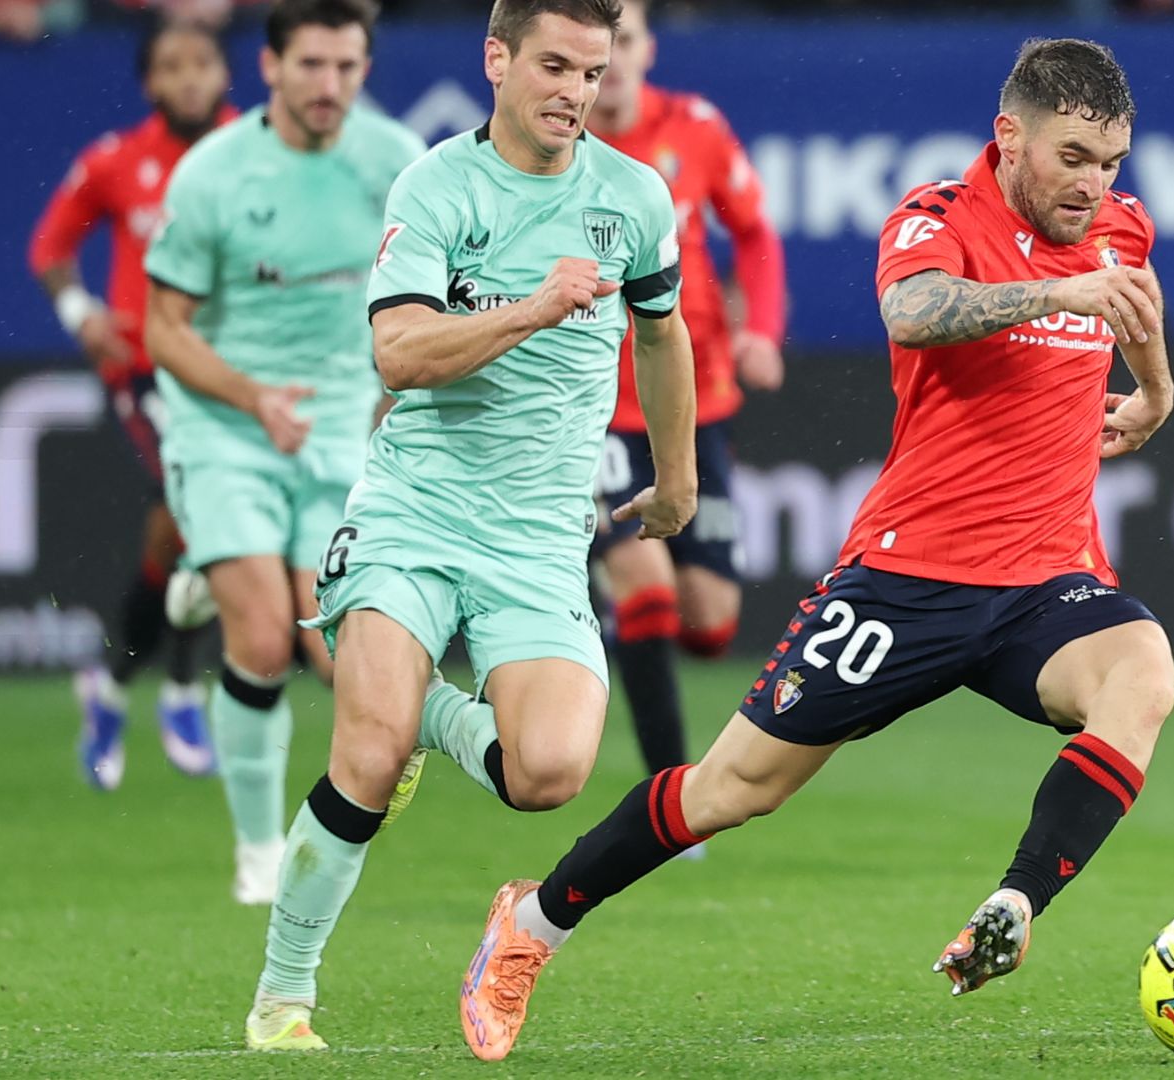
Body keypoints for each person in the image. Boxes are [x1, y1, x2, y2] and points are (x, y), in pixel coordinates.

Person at [455, 36, 1174, 1059]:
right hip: (905, 580)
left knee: (1142, 675)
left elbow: (1130, 295)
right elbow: (913, 310)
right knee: (730, 791)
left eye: (1111, 164)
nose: (1094, 186)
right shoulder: (939, 217)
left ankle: (1016, 903)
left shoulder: (1119, 228)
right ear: (1008, 138)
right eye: (1072, 159)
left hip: (1046, 583)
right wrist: (1051, 296)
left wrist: (1153, 389)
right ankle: (532, 923)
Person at [238, 0, 696, 1053]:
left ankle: (429, 719)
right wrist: (531, 309)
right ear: (496, 60)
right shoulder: (437, 186)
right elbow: (398, 354)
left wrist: (676, 479)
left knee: (549, 775)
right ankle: (282, 1000)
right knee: (363, 749)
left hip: (538, 538)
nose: (576, 92)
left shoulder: (633, 198)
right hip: (414, 512)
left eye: (593, 69)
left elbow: (662, 339)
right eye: (553, 66)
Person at [141, 0, 425, 905]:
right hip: (226, 427)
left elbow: (431, 299)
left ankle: (212, 573)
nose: (329, 86)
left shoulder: (394, 163)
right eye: (311, 66)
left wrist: (390, 400)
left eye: (347, 67)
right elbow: (164, 328)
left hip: (341, 429)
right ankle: (258, 848)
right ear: (268, 68)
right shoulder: (213, 173)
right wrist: (252, 397)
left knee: (336, 653)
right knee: (263, 639)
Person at [585, 0, 786, 790]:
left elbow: (757, 234)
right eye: (596, 47)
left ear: (646, 48)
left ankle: (600, 610)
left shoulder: (695, 128)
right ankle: (670, 795)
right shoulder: (554, 147)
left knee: (708, 623)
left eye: (623, 41)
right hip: (595, 406)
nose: (611, 62)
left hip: (690, 403)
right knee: (649, 590)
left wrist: (760, 328)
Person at [29, 19, 235, 792]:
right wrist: (81, 313)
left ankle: (114, 683)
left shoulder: (254, 155)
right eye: (171, 67)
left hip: (231, 369)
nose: (188, 78)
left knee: (185, 534)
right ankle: (181, 687)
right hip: (146, 370)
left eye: (201, 63)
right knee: (192, 510)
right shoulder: (117, 162)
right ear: (150, 83)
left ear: (224, 73)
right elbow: (50, 248)